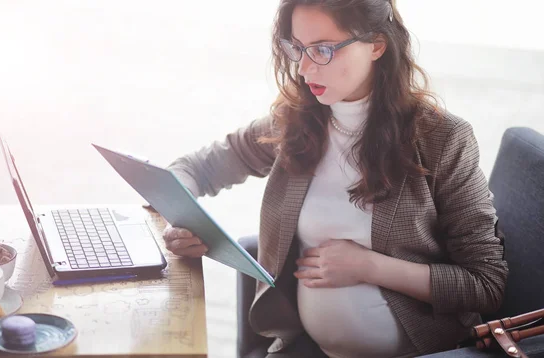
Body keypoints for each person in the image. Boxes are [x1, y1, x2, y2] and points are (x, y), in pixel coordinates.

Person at [162, 0, 508, 357]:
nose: (303, 69)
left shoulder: (442, 138)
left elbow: (485, 284)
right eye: (297, 48)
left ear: (376, 44)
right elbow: (193, 169)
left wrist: (369, 266)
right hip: (303, 345)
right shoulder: (295, 122)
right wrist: (185, 220)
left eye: (323, 50)